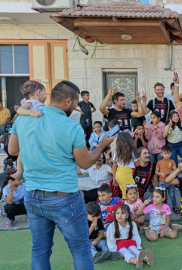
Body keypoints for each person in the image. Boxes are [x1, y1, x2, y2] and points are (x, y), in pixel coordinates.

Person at [8, 80, 116, 270]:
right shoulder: (71, 127)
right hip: (64, 197)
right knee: (81, 248)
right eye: (75, 104)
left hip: (33, 195)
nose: (75, 108)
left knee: (40, 250)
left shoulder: (23, 119)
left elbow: (13, 149)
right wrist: (103, 144)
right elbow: (85, 162)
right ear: (67, 101)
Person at [156, 145, 179, 213]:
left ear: (171, 153)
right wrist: (161, 174)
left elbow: (175, 171)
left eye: (168, 153)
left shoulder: (172, 161)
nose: (167, 155)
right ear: (161, 154)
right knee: (163, 196)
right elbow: (156, 172)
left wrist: (168, 172)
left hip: (171, 182)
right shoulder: (159, 162)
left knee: (172, 195)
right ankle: (163, 207)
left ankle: (174, 207)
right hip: (162, 182)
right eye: (165, 153)